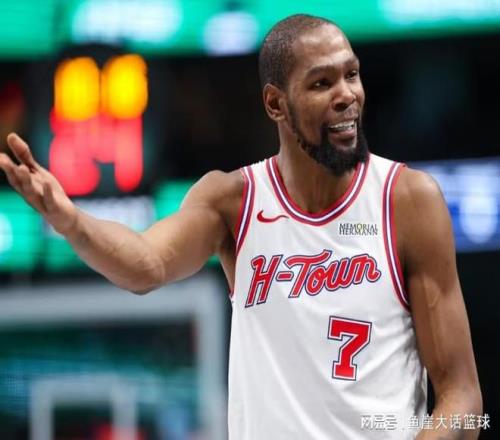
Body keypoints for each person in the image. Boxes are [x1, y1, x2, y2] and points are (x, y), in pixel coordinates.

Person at [0, 13, 482, 440]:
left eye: (351, 75)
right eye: (321, 83)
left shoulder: (406, 201)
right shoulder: (233, 201)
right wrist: (71, 222)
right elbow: (146, 265)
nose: (346, 96)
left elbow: (463, 399)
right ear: (276, 104)